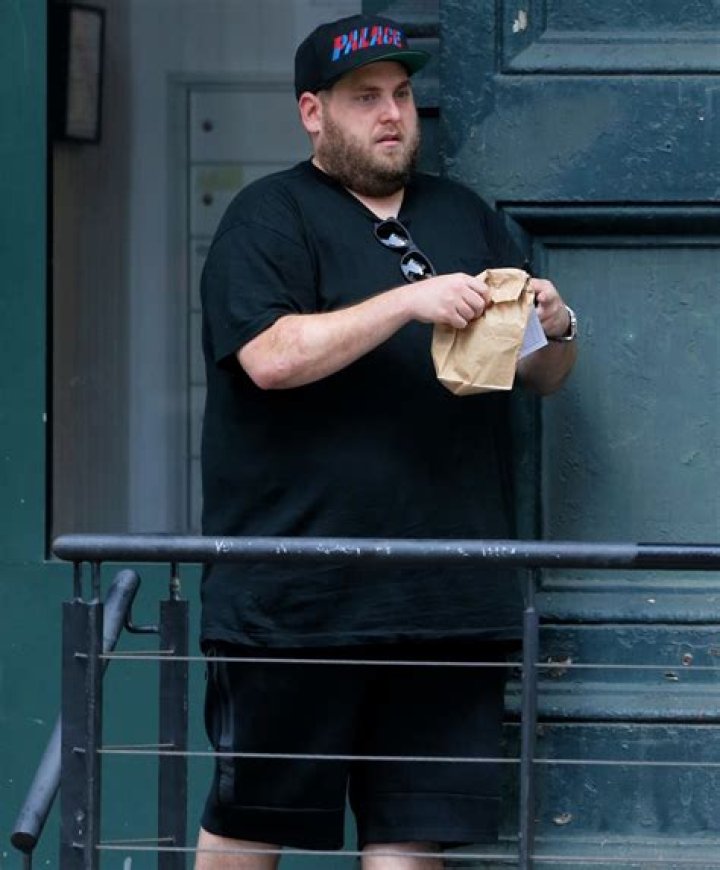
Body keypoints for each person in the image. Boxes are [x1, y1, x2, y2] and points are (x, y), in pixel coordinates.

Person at [196, 13, 578, 870]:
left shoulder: (464, 215)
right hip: (296, 602)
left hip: (445, 596)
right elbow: (269, 357)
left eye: (401, 94)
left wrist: (555, 327)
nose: (391, 114)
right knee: (249, 827)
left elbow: (540, 378)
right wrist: (408, 302)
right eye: (364, 97)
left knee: (411, 841)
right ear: (312, 112)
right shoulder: (268, 216)